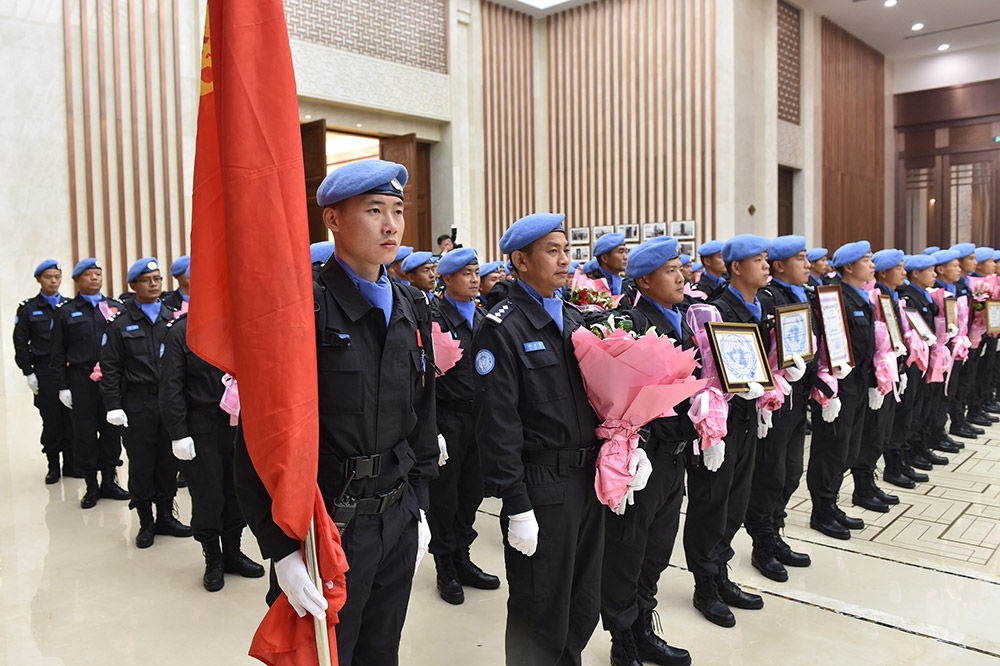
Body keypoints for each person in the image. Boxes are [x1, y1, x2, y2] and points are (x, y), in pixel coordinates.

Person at [234, 159, 438, 665]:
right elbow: (258, 436)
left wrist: (421, 505)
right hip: (327, 528)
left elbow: (423, 412)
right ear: (332, 218)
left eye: (397, 210)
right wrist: (279, 547)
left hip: (396, 514)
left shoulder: (411, 304)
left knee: (380, 651)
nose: (391, 225)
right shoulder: (304, 308)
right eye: (373, 210)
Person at [473, 212, 603, 664]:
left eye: (567, 250)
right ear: (520, 261)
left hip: (590, 481)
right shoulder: (501, 327)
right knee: (540, 607)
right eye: (553, 251)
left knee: (583, 601)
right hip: (542, 484)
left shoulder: (573, 316)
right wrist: (516, 503)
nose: (565, 260)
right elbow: (497, 424)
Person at [602, 237, 692, 666]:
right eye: (670, 271)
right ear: (645, 281)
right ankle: (624, 641)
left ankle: (643, 627)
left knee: (657, 548)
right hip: (644, 456)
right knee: (628, 549)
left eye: (680, 269)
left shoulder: (683, 320)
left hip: (676, 455)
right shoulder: (630, 323)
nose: (681, 277)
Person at [686, 234, 770, 628]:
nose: (766, 266)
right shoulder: (716, 311)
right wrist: (711, 433)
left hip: (748, 416)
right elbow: (703, 376)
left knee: (736, 502)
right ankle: (705, 585)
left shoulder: (761, 304)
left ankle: (721, 573)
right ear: (737, 267)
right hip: (719, 424)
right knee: (710, 504)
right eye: (759, 260)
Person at [159, 313, 264, 591]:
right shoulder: (183, 331)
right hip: (200, 428)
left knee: (237, 491)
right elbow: (171, 385)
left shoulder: (240, 324)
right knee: (208, 494)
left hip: (238, 425)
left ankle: (233, 552)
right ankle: (213, 558)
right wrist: (178, 432)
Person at [100, 258, 191, 547]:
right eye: (147, 280)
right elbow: (110, 367)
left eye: (158, 279)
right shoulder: (121, 323)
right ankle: (146, 521)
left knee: (167, 462)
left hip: (170, 400)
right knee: (141, 464)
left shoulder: (173, 317)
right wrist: (113, 405)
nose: (154, 284)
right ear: (133, 286)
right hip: (138, 402)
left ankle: (166, 515)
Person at [428, 247, 500, 605]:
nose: (475, 279)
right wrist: (431, 429)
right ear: (447, 280)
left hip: (480, 419)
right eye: (467, 274)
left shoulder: (485, 316)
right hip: (449, 417)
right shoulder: (434, 319)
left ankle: (463, 557)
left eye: (476, 273)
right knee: (445, 496)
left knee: (472, 492)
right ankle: (445, 566)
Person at [745, 236, 814, 584]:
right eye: (800, 259)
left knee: (791, 471)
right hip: (774, 401)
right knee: (771, 472)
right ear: (780, 266)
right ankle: (763, 542)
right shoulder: (771, 299)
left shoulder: (805, 294)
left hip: (798, 396)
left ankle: (776, 528)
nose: (807, 265)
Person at [807, 241, 875, 540]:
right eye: (867, 260)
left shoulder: (860, 296)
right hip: (839, 384)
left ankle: (831, 503)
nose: (872, 265)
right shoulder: (834, 298)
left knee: (847, 447)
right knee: (831, 449)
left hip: (857, 382)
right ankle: (821, 510)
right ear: (849, 267)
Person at [49, 258, 129, 508]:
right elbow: (57, 352)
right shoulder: (65, 311)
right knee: (84, 434)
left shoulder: (116, 308)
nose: (94, 278)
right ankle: (91, 486)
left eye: (98, 274)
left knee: (111, 432)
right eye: (88, 275)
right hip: (81, 381)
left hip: (110, 380)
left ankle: (110, 481)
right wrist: (62, 386)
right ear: (77, 281)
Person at [849, 249, 907, 513]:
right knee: (870, 433)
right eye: (866, 261)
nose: (903, 272)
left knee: (879, 431)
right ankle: (862, 487)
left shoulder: (883, 297)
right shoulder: (871, 297)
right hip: (863, 378)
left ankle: (868, 483)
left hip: (881, 374)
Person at [13, 260, 76, 483]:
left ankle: (70, 463)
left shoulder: (69, 307)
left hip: (67, 372)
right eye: (48, 276)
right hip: (45, 371)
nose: (53, 281)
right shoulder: (28, 308)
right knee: (51, 420)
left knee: (71, 418)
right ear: (39, 279)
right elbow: (20, 343)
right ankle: (53, 466)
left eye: (57, 276)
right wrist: (28, 372)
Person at [888, 254, 936, 485]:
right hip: (903, 364)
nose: (935, 274)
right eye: (899, 268)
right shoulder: (908, 297)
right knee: (904, 412)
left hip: (917, 361)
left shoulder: (914, 296)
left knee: (915, 409)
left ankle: (907, 456)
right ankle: (895, 464)